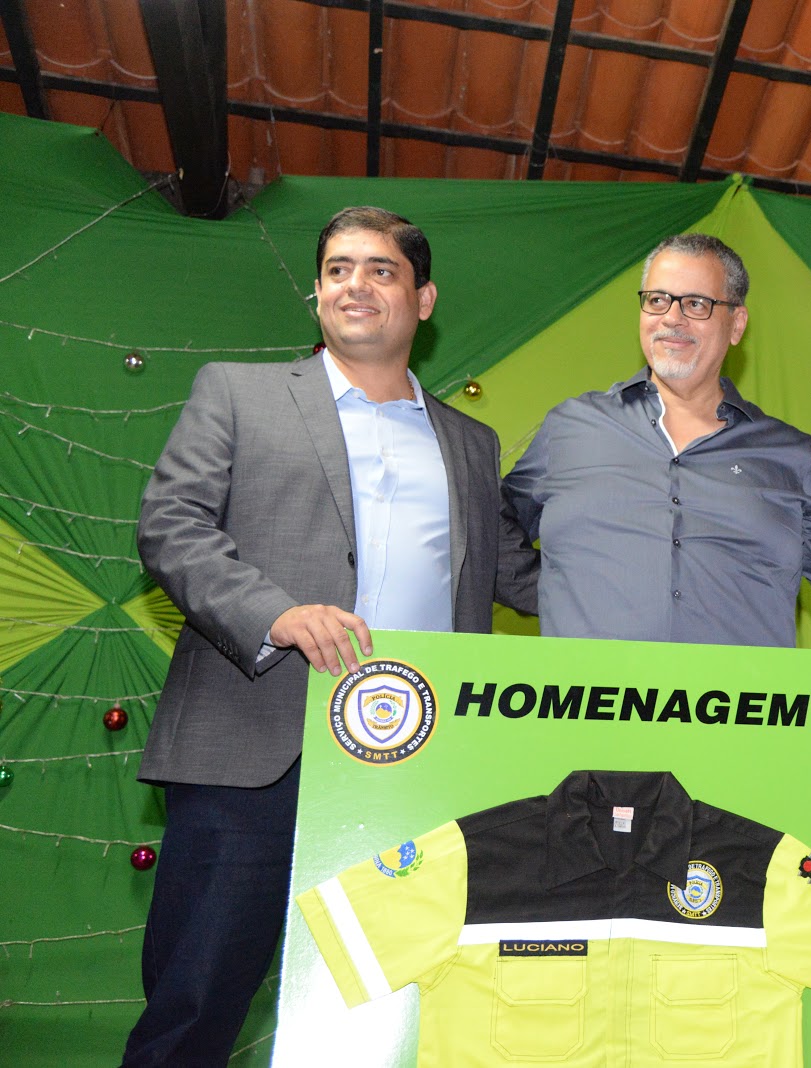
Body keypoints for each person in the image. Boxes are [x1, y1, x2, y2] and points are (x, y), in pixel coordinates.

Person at [123, 206, 539, 1066]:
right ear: (316, 294)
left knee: (385, 1014)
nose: (356, 284)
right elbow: (170, 525)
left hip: (415, 768)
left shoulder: (472, 443)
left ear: (424, 300)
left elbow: (522, 577)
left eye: (382, 270)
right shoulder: (236, 392)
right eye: (339, 269)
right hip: (254, 747)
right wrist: (273, 614)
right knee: (196, 1002)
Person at [501, 232, 811, 647]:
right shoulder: (571, 428)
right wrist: (557, 593)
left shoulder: (787, 455)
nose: (672, 318)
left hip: (740, 690)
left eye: (696, 304)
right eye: (657, 300)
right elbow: (486, 530)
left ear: (736, 324)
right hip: (589, 688)